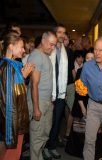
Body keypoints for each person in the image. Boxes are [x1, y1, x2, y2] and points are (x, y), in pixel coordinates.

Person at [76, 37, 102, 160]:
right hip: (92, 106)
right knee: (89, 140)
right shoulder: (87, 66)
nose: (97, 53)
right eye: (95, 50)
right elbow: (82, 85)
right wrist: (80, 89)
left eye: (101, 50)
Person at [0, 31, 34, 160]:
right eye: (21, 47)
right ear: (10, 46)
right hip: (14, 121)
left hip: (16, 119)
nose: (23, 50)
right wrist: (24, 76)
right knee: (12, 155)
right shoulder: (8, 67)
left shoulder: (13, 65)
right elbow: (9, 99)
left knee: (10, 154)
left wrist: (23, 76)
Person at [27, 31, 57, 160]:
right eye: (51, 44)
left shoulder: (44, 55)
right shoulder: (36, 56)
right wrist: (36, 108)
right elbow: (34, 84)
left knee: (44, 134)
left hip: (46, 102)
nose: (52, 47)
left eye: (54, 45)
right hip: (38, 103)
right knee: (37, 137)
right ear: (43, 41)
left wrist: (50, 102)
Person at [44, 24, 68, 159]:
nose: (62, 35)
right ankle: (45, 147)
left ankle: (52, 147)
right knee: (48, 122)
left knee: (57, 122)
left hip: (60, 93)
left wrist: (64, 93)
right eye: (59, 32)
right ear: (54, 33)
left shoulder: (65, 51)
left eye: (63, 33)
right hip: (49, 93)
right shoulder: (48, 50)